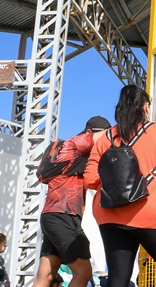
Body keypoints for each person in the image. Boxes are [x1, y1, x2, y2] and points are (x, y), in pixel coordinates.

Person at [84, 85, 156, 287]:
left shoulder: (104, 138)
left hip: (110, 215)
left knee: (118, 279)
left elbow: (90, 179)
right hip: (152, 213)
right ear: (145, 107)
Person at [33, 115, 112, 287]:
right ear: (90, 132)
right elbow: (98, 139)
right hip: (63, 216)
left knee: (46, 275)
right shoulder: (75, 144)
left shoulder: (78, 155)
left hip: (52, 216)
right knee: (83, 271)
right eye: (105, 135)